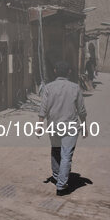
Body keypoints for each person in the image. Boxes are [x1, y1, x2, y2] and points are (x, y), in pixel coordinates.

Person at [38, 60, 87, 196]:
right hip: (70, 126)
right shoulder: (75, 88)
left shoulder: (48, 87)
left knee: (55, 150)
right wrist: (84, 126)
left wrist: (39, 125)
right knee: (66, 155)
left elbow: (43, 108)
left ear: (55, 71)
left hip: (53, 126)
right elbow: (81, 110)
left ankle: (56, 176)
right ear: (69, 72)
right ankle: (61, 186)